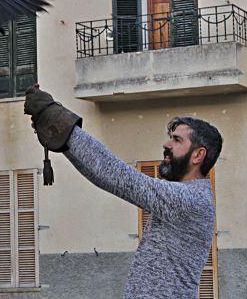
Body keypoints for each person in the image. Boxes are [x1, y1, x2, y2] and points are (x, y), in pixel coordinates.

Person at [24, 85, 223, 299]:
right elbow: (104, 177)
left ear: (198, 155)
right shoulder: (185, 196)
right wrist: (61, 140)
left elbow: (118, 176)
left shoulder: (192, 200)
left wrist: (55, 118)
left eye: (177, 140)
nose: (167, 144)